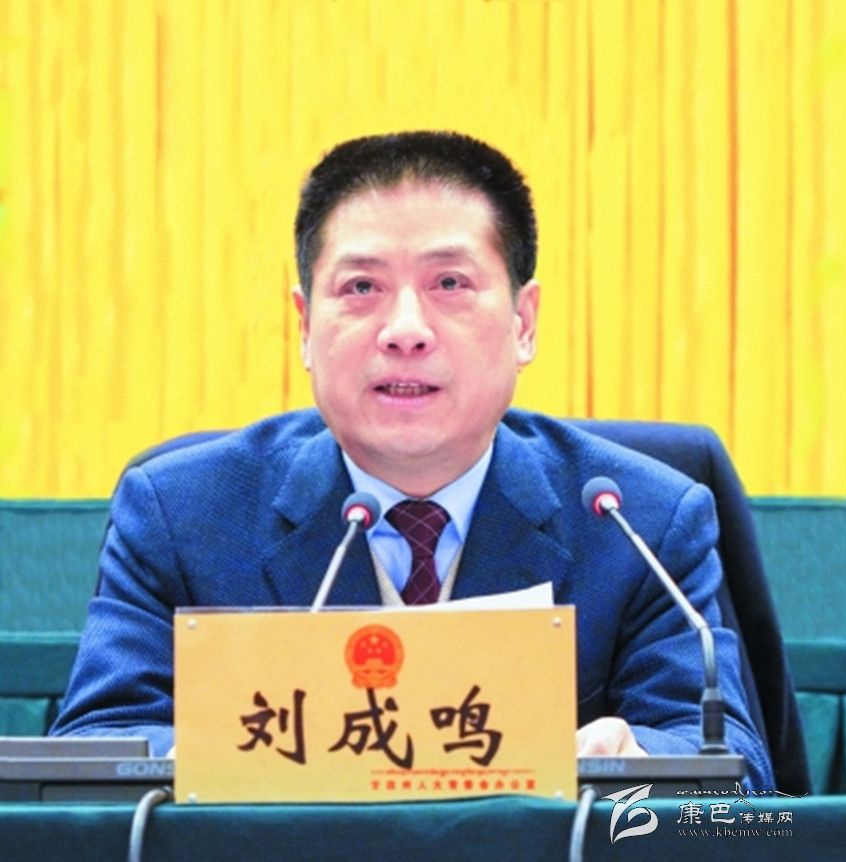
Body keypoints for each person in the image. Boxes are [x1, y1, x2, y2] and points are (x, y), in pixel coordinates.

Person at [51, 131, 773, 787]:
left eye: (449, 284)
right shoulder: (183, 516)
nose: (405, 330)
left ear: (523, 323)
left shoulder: (638, 521)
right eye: (361, 288)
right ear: (304, 326)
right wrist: (216, 761)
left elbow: (733, 781)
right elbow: (90, 753)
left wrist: (633, 759)